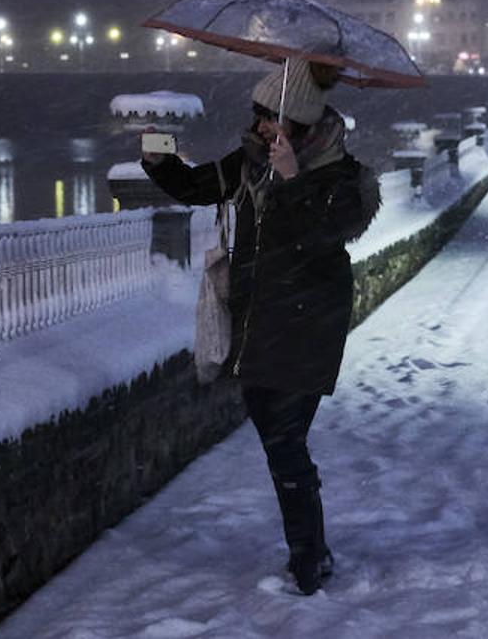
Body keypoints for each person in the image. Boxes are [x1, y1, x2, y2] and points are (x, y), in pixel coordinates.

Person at [141, 62, 378, 594]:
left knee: (286, 437)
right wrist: (161, 163)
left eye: (274, 119)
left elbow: (322, 235)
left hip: (309, 319)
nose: (264, 127)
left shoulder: (339, 174)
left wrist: (293, 179)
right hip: (258, 317)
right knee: (276, 436)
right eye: (261, 116)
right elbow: (201, 186)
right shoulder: (251, 162)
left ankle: (308, 559)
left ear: (299, 122)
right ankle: (311, 547)